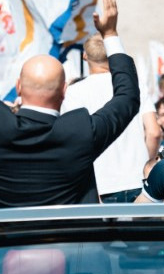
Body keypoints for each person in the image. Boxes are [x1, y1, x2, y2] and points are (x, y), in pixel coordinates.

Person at [0, 0, 139, 226]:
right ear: (64, 91)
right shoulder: (80, 132)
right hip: (66, 252)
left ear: (18, 87)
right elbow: (127, 98)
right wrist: (110, 33)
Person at [59, 34, 154, 203]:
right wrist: (148, 166)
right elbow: (154, 132)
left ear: (85, 56)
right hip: (138, 178)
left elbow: (73, 141)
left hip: (100, 182)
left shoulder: (73, 93)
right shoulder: (135, 85)